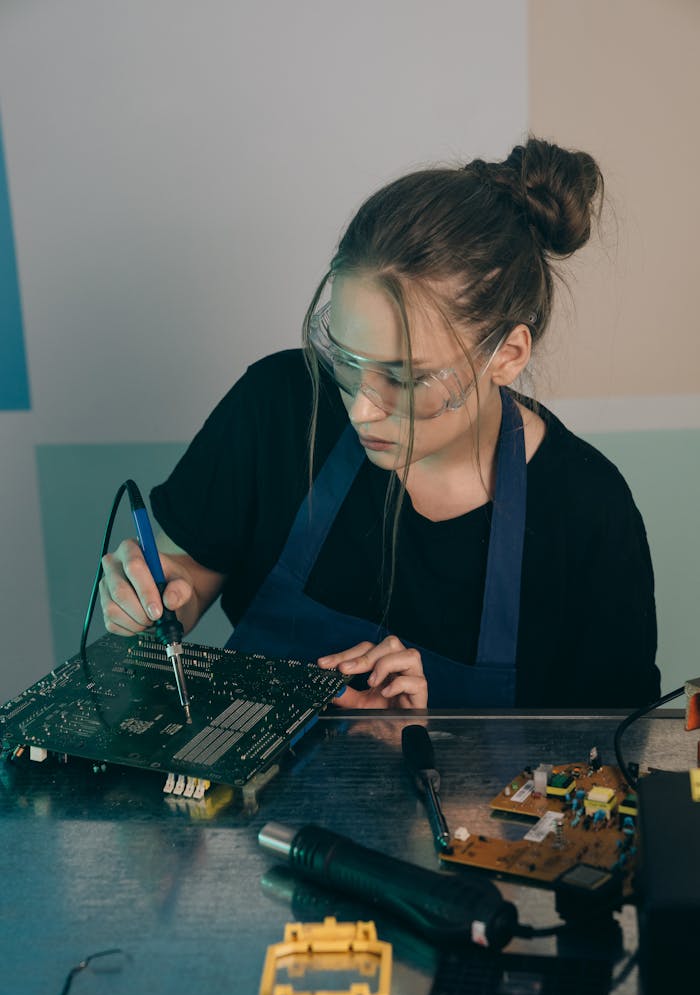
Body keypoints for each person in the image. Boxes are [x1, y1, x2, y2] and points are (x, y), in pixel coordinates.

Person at [100, 137, 660, 711]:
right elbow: (188, 570)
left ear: (508, 356)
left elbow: (612, 758)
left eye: (406, 377)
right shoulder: (277, 405)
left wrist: (431, 748)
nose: (362, 409)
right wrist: (156, 598)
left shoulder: (587, 510)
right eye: (347, 360)